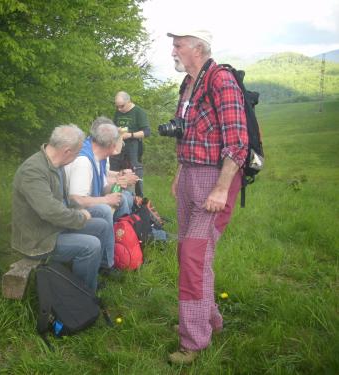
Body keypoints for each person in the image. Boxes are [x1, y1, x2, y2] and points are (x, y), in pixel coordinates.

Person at [166, 30, 248, 364]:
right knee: (191, 254)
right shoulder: (188, 84)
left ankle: (194, 342)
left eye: (178, 44)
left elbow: (237, 142)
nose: (173, 50)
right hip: (189, 175)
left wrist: (222, 187)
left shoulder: (220, 80)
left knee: (193, 257)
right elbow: (186, 135)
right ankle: (207, 319)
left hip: (214, 180)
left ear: (197, 48)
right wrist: (178, 174)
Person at [11, 124, 114, 291]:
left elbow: (64, 199)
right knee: (91, 245)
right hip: (39, 240)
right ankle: (83, 294)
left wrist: (78, 207)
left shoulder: (56, 165)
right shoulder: (32, 171)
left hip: (55, 227)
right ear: (67, 151)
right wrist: (80, 217)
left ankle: (95, 272)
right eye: (77, 152)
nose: (78, 156)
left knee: (101, 226)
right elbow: (49, 210)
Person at [64, 117, 136, 272]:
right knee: (104, 210)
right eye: (117, 143)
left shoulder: (99, 156)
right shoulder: (84, 161)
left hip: (82, 204)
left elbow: (104, 187)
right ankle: (107, 264)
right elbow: (75, 199)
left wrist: (119, 183)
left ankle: (122, 244)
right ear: (110, 144)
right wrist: (106, 199)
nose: (117, 147)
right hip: (69, 211)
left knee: (121, 199)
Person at [111, 91, 151, 197]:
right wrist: (116, 131)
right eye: (117, 106)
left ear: (128, 101)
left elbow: (147, 132)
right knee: (114, 171)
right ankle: (116, 197)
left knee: (135, 172)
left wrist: (130, 135)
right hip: (118, 147)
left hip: (133, 147)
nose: (119, 109)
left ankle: (138, 200)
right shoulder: (118, 112)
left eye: (121, 106)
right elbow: (113, 127)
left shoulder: (139, 112)